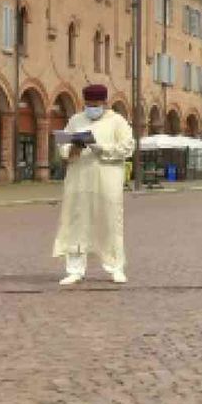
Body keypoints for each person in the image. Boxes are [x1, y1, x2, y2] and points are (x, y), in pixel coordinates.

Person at [52, 84, 136, 285]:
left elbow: (127, 147)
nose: (91, 107)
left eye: (95, 104)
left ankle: (115, 267)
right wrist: (70, 148)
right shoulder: (75, 120)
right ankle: (75, 269)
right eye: (88, 104)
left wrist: (100, 148)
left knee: (109, 221)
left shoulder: (117, 121)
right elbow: (62, 144)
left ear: (104, 103)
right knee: (76, 221)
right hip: (79, 178)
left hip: (107, 178)